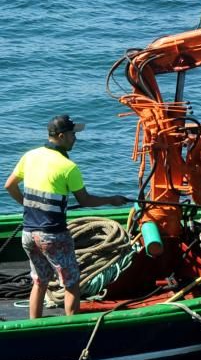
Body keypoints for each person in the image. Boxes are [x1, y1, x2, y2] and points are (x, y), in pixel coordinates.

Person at [4, 115, 130, 318]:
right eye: (72, 134)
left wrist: (28, 206)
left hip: (28, 233)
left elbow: (9, 185)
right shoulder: (68, 167)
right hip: (53, 235)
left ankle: (35, 325)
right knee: (71, 283)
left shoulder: (30, 156)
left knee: (39, 281)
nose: (75, 138)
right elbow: (86, 200)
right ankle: (72, 327)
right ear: (61, 136)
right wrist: (111, 199)